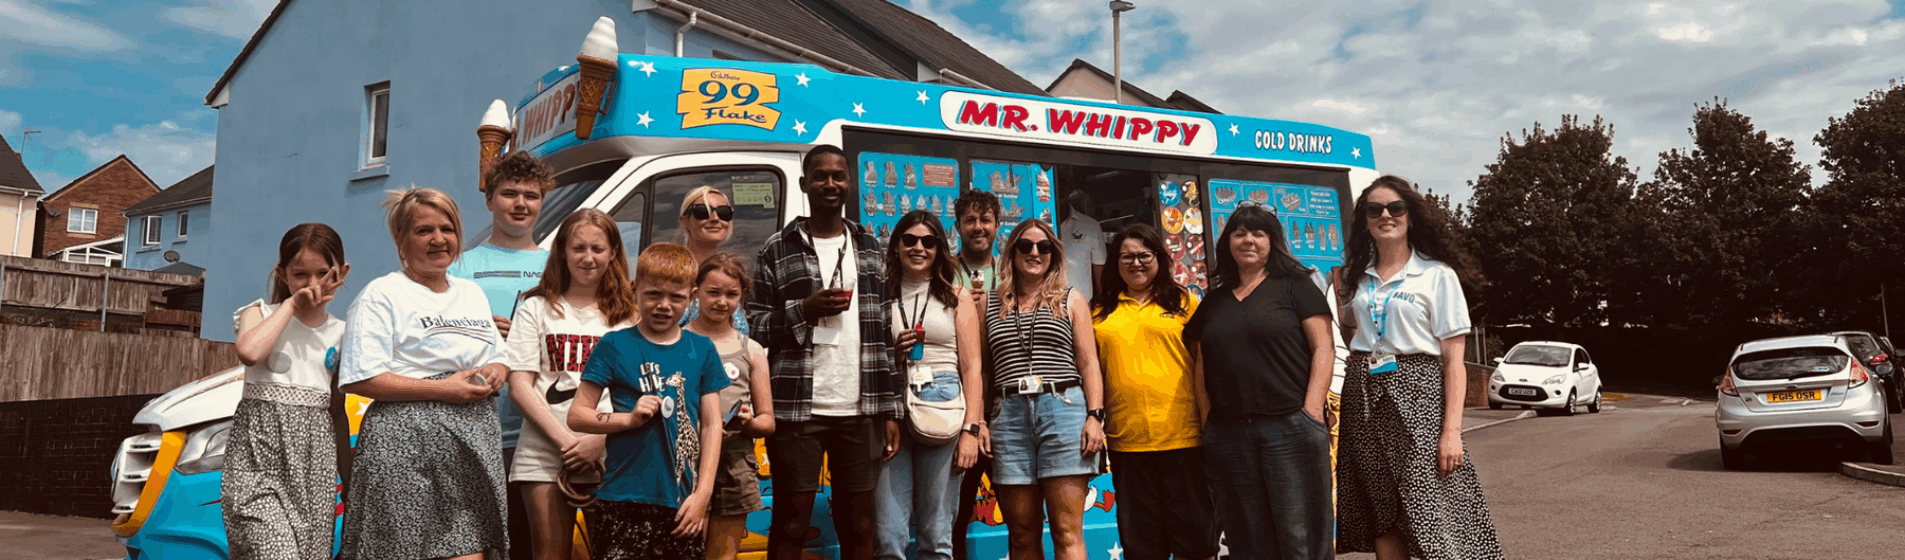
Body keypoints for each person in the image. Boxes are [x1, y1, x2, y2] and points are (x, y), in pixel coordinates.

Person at [747, 144, 902, 560]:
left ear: (849, 184)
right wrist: (804, 310)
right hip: (797, 409)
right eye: (820, 176)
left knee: (860, 525)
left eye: (838, 176)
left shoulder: (870, 246)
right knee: (791, 522)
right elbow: (754, 326)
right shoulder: (777, 247)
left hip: (862, 408)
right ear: (804, 184)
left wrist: (890, 409)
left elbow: (885, 332)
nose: (830, 183)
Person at [337, 187, 511, 560]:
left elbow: (498, 355)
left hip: (471, 452)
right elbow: (360, 376)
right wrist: (442, 389)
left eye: (447, 229)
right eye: (424, 231)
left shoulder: (471, 293)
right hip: (403, 451)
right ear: (401, 238)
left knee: (472, 551)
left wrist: (497, 370)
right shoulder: (382, 294)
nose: (438, 239)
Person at [1334, 176, 1501, 560]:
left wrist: (1452, 432)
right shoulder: (1357, 277)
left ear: (1410, 216)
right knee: (1383, 511)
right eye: (1374, 210)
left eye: (1395, 207)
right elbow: (1352, 329)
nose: (1385, 215)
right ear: (1365, 221)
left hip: (1419, 396)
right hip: (1363, 396)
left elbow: (1454, 361)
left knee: (1431, 508)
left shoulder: (1436, 276)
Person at [1181, 205, 1333, 560]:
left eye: (1258, 233)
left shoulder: (1296, 287)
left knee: (1300, 538)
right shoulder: (1215, 300)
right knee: (1246, 537)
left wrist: (1311, 410)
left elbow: (1323, 348)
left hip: (1290, 427)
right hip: (1229, 434)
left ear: (1272, 242)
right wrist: (1207, 419)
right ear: (1228, 243)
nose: (1248, 240)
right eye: (1239, 233)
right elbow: (1200, 362)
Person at [568, 243, 728, 560]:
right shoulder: (614, 344)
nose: (663, 306)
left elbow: (711, 425)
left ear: (692, 297)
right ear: (634, 290)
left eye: (676, 297)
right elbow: (577, 415)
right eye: (653, 294)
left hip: (682, 503)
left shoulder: (702, 349)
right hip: (621, 499)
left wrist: (703, 494)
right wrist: (627, 419)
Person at [503, 209, 636, 560]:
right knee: (549, 554)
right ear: (563, 251)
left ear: (613, 252)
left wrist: (597, 441)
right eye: (578, 248)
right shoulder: (535, 307)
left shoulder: (629, 316)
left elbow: (639, 393)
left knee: (613, 554)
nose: (588, 258)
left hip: (612, 454)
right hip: (544, 452)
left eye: (597, 248)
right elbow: (520, 385)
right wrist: (567, 443)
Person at [1088, 223, 1216, 560]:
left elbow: (1205, 368)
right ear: (1115, 262)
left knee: (1196, 543)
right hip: (1127, 442)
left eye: (1144, 255)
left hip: (1184, 438)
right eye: (1126, 257)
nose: (1136, 263)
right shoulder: (1098, 310)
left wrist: (1210, 424)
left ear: (1159, 258)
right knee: (1142, 547)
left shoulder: (1184, 303)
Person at [222, 223, 351, 560]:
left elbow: (337, 413)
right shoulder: (259, 313)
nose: (312, 284)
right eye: (300, 274)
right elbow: (250, 352)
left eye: (323, 273)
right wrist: (291, 305)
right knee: (276, 550)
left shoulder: (342, 333)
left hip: (314, 467)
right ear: (283, 274)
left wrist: (349, 480)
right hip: (257, 463)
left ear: (341, 273)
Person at [451, 150, 556, 559]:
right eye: (510, 194)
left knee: (529, 547)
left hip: (537, 435)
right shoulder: (460, 266)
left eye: (531, 195)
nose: (521, 204)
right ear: (489, 200)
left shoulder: (558, 267)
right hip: (474, 430)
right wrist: (477, 331)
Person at [983, 219, 1106, 560]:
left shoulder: (1072, 299)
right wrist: (979, 421)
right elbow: (982, 369)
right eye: (1025, 246)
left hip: (1063, 411)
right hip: (1008, 416)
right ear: (1012, 253)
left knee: (1066, 531)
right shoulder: (989, 303)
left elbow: (1089, 363)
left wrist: (1095, 416)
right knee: (1022, 534)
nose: (1034, 253)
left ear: (1054, 254)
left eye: (1044, 247)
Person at [874, 211, 988, 560]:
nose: (919, 248)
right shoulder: (880, 295)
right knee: (888, 537)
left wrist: (971, 429)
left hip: (944, 411)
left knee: (937, 537)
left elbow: (973, 367)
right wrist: (893, 353)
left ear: (940, 248)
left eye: (928, 241)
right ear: (896, 246)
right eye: (910, 240)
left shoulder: (957, 296)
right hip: (891, 413)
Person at [685, 252, 775, 560]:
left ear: (742, 295)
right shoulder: (677, 341)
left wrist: (749, 422)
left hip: (735, 460)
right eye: (713, 292)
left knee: (724, 555)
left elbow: (768, 421)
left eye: (731, 294)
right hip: (686, 462)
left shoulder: (752, 350)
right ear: (695, 291)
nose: (721, 302)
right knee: (686, 551)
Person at [678, 185, 750, 336]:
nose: (715, 218)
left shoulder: (733, 273)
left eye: (724, 212)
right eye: (703, 212)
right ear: (684, 221)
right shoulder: (671, 273)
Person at [1057, 189, 1105, 302]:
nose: (1060, 187)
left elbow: (1099, 267)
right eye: (1058, 182)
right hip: (1043, 307)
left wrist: (1101, 303)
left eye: (1064, 182)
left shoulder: (1090, 226)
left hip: (1081, 306)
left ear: (1070, 185)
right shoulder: (1035, 225)